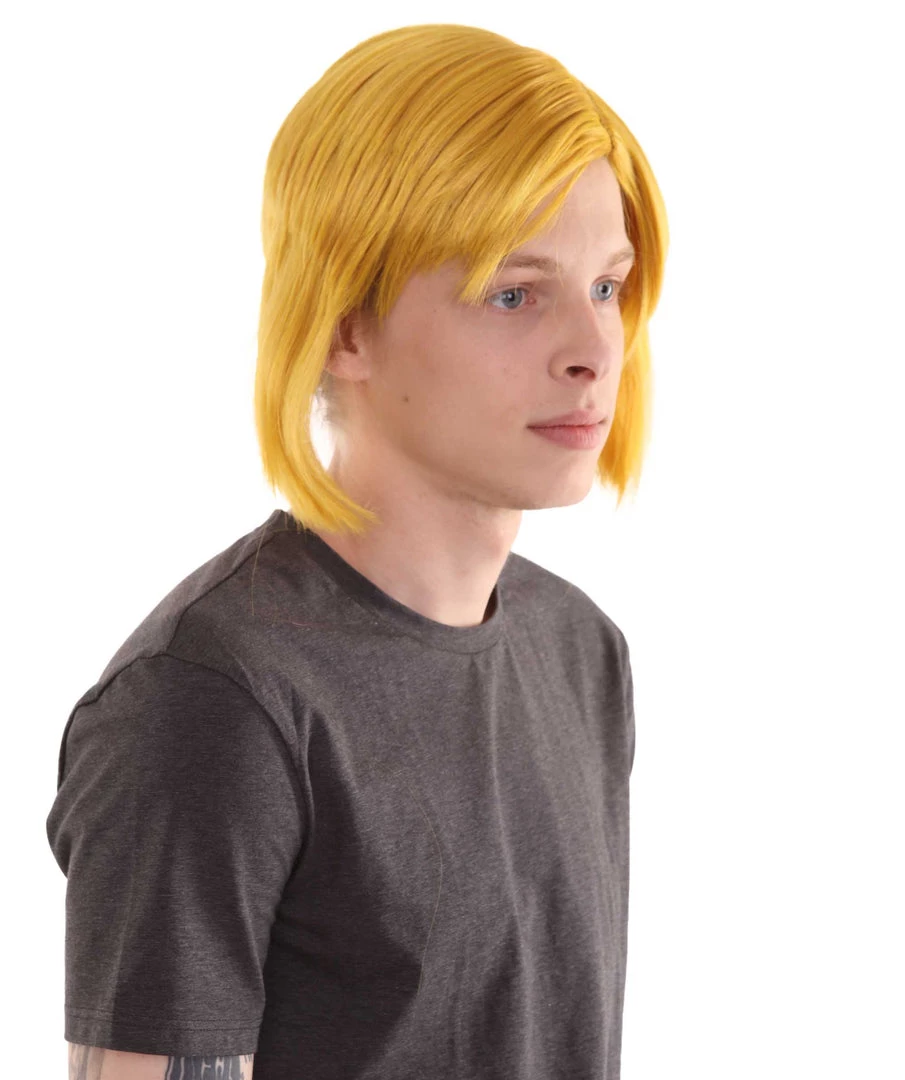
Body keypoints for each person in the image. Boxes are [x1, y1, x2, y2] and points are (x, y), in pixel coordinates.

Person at [47, 22, 669, 1080]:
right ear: (345, 328)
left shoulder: (579, 652)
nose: (592, 350)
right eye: (513, 293)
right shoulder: (214, 702)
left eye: (606, 286)